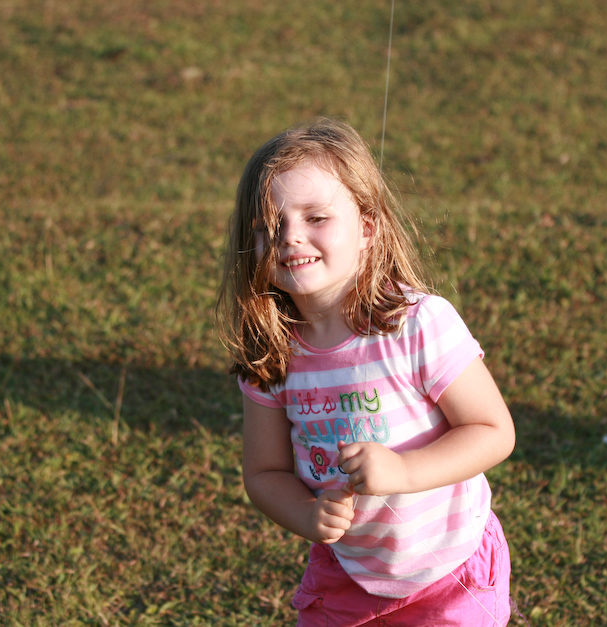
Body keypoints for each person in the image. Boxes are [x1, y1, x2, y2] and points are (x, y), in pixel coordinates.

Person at [217, 117, 516, 626]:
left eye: (316, 217)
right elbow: (264, 473)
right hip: (346, 574)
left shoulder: (417, 324)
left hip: (451, 568)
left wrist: (403, 472)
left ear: (368, 228)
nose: (291, 237)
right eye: (268, 226)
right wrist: (305, 514)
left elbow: (493, 431)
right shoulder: (271, 354)